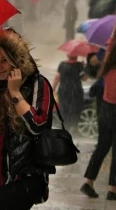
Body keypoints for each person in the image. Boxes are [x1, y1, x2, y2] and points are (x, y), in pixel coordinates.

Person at [0, 29, 55, 210]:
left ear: (16, 60)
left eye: (4, 60)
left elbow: (37, 125)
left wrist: (14, 92)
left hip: (26, 175)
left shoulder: (38, 84)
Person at [81, 25, 116, 201]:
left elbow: (111, 40)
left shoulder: (109, 53)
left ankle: (88, 182)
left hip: (106, 108)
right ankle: (113, 189)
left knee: (102, 146)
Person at [52, 55, 87, 131]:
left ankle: (66, 128)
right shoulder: (80, 65)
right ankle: (74, 129)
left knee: (65, 110)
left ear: (68, 55)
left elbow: (57, 77)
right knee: (76, 110)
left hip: (64, 91)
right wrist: (84, 68)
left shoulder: (62, 64)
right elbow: (85, 79)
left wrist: (53, 89)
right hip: (76, 92)